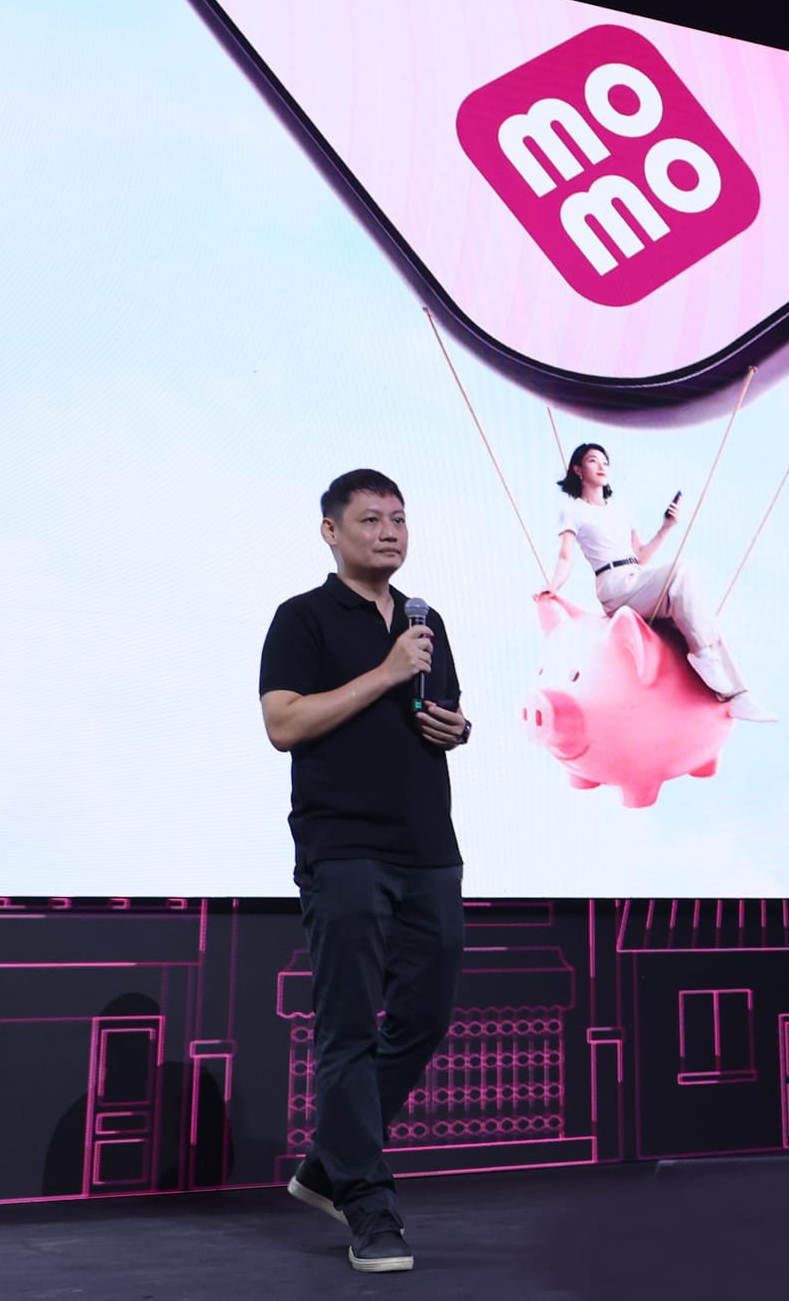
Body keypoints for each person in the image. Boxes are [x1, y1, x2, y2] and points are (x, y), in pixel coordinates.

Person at [258, 469, 472, 1274]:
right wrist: (384, 673)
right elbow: (283, 723)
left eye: (399, 520)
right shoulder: (302, 618)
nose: (389, 532)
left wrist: (455, 727)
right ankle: (370, 1206)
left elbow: (436, 710)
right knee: (347, 1026)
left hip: (429, 845)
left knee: (425, 1014)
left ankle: (329, 1163)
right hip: (343, 847)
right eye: (372, 519)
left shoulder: (425, 621)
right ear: (332, 532)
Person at [539, 441, 774, 722]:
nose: (601, 466)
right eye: (593, 460)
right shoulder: (573, 510)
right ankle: (703, 655)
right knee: (682, 570)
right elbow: (565, 556)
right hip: (613, 585)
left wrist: (665, 528)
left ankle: (738, 695)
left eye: (605, 461)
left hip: (637, 576)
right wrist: (553, 585)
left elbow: (640, 555)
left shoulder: (621, 509)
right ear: (578, 469)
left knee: (700, 615)